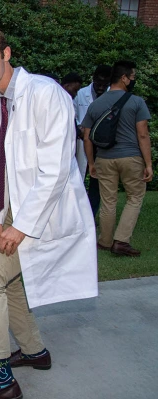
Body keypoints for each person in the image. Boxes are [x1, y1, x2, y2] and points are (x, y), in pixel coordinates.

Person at [0, 23, 98, 399]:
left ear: (6, 54)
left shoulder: (46, 93)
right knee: (11, 282)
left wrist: (20, 226)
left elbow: (55, 170)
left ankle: (1, 378)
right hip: (13, 213)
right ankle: (35, 351)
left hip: (41, 215)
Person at [81, 60, 153, 257]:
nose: (132, 80)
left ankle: (104, 241)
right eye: (132, 77)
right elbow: (143, 134)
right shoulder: (136, 102)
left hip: (104, 159)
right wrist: (148, 163)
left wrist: (91, 162)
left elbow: (87, 137)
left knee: (108, 201)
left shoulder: (96, 104)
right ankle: (121, 241)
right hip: (131, 157)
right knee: (135, 197)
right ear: (123, 78)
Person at [74, 65, 113, 216]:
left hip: (101, 144)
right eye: (99, 84)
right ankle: (77, 214)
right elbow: (73, 114)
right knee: (79, 177)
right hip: (82, 141)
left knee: (97, 181)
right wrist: (79, 127)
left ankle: (91, 213)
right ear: (93, 79)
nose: (101, 88)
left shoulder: (112, 95)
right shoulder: (81, 94)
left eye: (105, 85)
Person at [61, 72, 86, 179]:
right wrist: (80, 131)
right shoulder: (61, 100)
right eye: (75, 90)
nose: (76, 94)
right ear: (66, 86)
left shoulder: (67, 100)